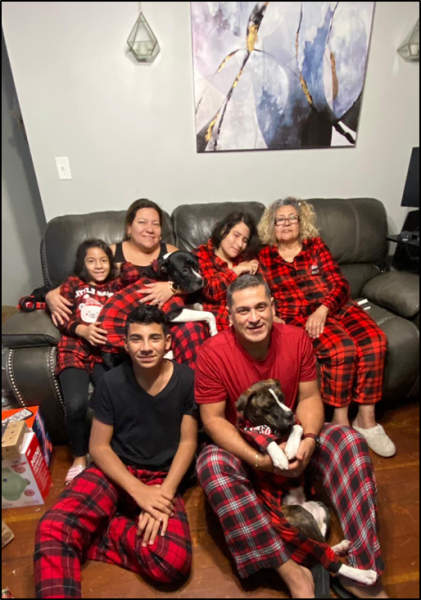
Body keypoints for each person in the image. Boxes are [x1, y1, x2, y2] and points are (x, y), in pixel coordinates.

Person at [195, 274, 388, 599]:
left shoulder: (297, 339)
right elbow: (213, 420)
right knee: (211, 465)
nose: (253, 317)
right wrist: (260, 459)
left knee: (350, 441)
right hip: (248, 449)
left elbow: (311, 398)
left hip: (295, 438)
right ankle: (291, 571)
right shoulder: (212, 353)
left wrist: (310, 441)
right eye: (243, 311)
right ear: (229, 316)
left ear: (272, 307)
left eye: (260, 307)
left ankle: (363, 568)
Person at [34, 305, 197, 598]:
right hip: (115, 470)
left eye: (154, 338)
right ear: (125, 343)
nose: (146, 347)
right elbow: (98, 446)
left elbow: (187, 442)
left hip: (162, 478)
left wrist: (162, 495)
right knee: (52, 528)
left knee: (171, 562)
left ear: (168, 342)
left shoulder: (186, 379)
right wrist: (137, 490)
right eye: (136, 339)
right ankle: (79, 530)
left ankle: (89, 531)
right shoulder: (111, 382)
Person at [257, 198, 395, 458]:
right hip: (299, 316)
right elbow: (262, 293)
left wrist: (324, 309)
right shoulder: (264, 256)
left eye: (292, 218)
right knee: (341, 349)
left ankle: (367, 420)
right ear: (271, 226)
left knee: (375, 340)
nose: (286, 224)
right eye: (280, 219)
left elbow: (340, 283)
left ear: (301, 222)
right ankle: (339, 421)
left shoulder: (315, 246)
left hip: (336, 307)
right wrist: (273, 316)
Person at [46, 198, 209, 368]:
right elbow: (80, 281)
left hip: (169, 317)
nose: (150, 229)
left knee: (192, 328)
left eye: (156, 224)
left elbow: (197, 282)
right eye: (142, 222)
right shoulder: (113, 252)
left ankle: (194, 387)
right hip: (128, 321)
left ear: (161, 231)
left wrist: (172, 288)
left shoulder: (172, 252)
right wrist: (51, 295)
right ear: (129, 228)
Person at [54, 238, 141, 484]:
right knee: (76, 405)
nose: (98, 266)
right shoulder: (73, 283)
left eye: (103, 260)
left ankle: (110, 452)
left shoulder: (116, 284)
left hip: (106, 353)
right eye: (91, 261)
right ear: (82, 264)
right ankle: (80, 458)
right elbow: (60, 315)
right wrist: (81, 329)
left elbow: (134, 274)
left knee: (115, 399)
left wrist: (117, 263)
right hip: (75, 349)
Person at [193, 211, 260, 331]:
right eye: (236, 235)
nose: (240, 244)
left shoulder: (247, 259)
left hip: (246, 325)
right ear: (223, 231)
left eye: (245, 240)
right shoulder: (202, 254)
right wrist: (237, 270)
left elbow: (259, 294)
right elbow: (211, 290)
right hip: (214, 327)